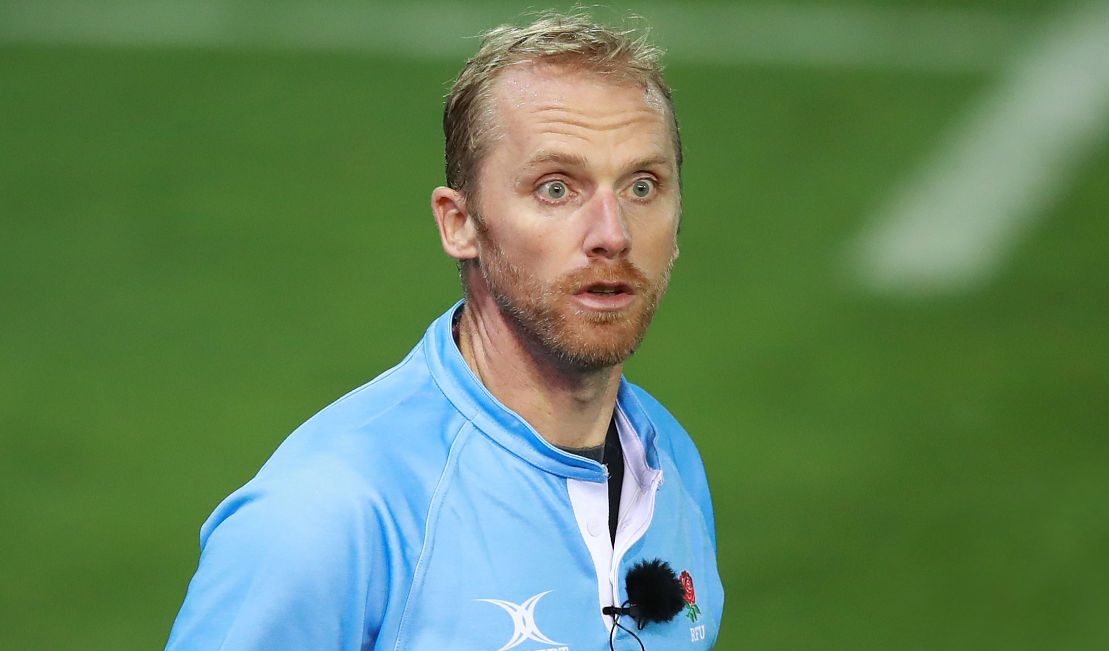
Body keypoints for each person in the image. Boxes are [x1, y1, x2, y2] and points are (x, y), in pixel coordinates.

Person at [165, 10, 722, 651]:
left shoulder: (669, 465)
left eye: (642, 186)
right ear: (460, 223)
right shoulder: (330, 514)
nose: (613, 234)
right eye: (556, 189)